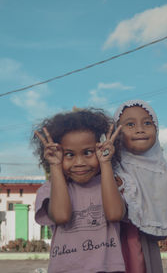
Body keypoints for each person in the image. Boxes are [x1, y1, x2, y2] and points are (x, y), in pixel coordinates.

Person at [32, 109, 126, 273]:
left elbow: (115, 214)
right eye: (69, 154)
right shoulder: (50, 189)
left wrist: (105, 163)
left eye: (88, 152)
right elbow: (61, 216)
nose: (80, 162)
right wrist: (55, 164)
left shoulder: (110, 184)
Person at [113, 100, 167, 273]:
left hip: (146, 245)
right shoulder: (112, 167)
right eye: (130, 124)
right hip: (114, 243)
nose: (140, 129)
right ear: (116, 131)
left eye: (147, 123)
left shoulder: (162, 170)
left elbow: (161, 223)